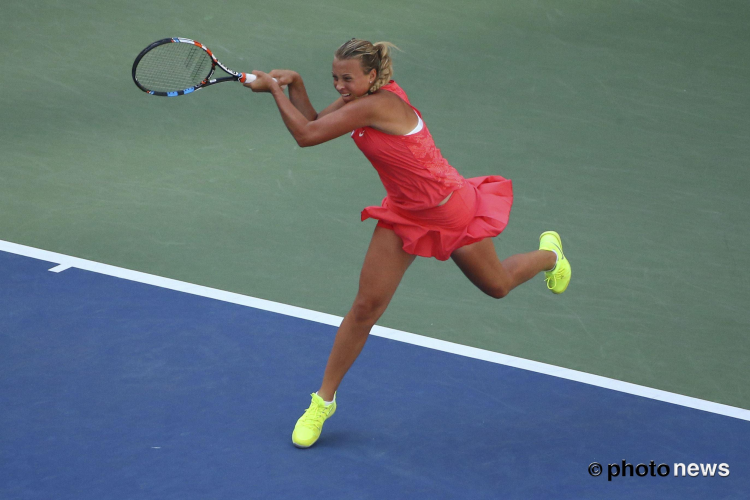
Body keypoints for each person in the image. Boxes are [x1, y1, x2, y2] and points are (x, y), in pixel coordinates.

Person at [243, 38, 571, 449]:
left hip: (452, 210)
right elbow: (311, 121)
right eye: (334, 78)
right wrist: (295, 84)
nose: (340, 86)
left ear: (373, 77)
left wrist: (274, 89)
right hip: (404, 215)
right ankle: (322, 402)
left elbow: (305, 136)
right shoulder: (357, 101)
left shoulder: (377, 105)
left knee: (498, 286)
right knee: (365, 307)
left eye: (348, 78)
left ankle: (550, 255)